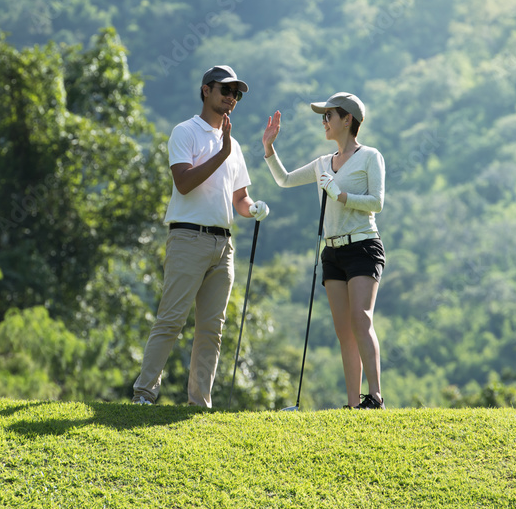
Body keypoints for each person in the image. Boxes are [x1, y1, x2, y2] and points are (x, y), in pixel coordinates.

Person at [133, 65, 270, 408]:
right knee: (171, 320)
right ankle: (144, 394)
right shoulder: (186, 132)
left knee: (212, 328)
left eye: (236, 93)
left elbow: (239, 198)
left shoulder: (233, 146)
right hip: (187, 238)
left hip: (223, 245)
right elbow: (184, 182)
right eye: (225, 90)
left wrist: (253, 208)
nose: (231, 97)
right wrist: (220, 153)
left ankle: (200, 403)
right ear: (206, 90)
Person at [261, 92, 387, 409]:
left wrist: (340, 194)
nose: (324, 121)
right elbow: (285, 180)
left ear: (348, 120)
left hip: (363, 246)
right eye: (323, 116)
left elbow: (377, 203)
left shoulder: (370, 156)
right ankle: (354, 405)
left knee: (361, 320)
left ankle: (375, 397)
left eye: (329, 115)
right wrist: (269, 149)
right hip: (332, 253)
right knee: (344, 330)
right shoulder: (321, 164)